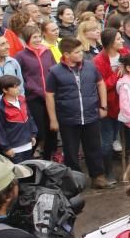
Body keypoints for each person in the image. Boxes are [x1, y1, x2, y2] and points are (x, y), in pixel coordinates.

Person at [45, 37, 112, 189]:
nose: (81, 54)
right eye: (77, 52)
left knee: (94, 147)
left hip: (90, 115)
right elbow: (49, 95)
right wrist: (53, 119)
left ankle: (98, 177)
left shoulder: (90, 66)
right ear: (66, 55)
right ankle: (75, 180)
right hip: (68, 118)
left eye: (81, 50)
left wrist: (103, 106)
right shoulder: (55, 72)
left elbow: (100, 83)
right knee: (71, 151)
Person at [16, 24, 58, 161]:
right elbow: (20, 76)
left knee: (52, 129)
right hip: (34, 97)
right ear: (27, 38)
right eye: (34, 37)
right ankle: (29, 158)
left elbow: (53, 70)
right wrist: (31, 88)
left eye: (39, 36)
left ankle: (48, 158)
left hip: (50, 96)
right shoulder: (21, 56)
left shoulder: (47, 51)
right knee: (39, 131)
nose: (38, 40)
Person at [93, 28, 128, 178]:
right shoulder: (98, 60)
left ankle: (129, 171)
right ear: (110, 43)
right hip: (108, 105)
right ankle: (107, 172)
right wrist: (117, 75)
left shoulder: (125, 54)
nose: (122, 41)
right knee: (107, 140)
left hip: (125, 104)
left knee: (126, 139)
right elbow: (102, 85)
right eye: (119, 39)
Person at [0, 75, 38, 164]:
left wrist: (33, 134)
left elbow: (30, 118)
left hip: (28, 144)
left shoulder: (22, 100)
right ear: (5, 90)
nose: (18, 88)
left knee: (31, 171)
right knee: (20, 173)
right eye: (14, 87)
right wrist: (6, 148)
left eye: (18, 85)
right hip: (15, 149)